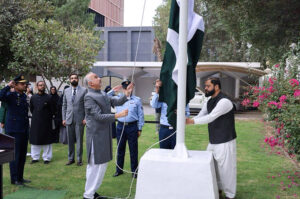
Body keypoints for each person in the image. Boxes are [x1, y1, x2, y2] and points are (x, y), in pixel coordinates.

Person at [186, 77, 237, 199]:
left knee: (227, 170)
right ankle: (217, 190)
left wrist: (191, 122)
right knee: (211, 167)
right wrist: (187, 119)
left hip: (225, 140)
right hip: (213, 140)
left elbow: (211, 117)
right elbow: (201, 115)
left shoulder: (224, 102)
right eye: (206, 85)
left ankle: (230, 195)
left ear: (216, 86)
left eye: (208, 86)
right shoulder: (209, 100)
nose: (206, 88)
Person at [82, 72, 130, 199]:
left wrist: (126, 93)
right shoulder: (89, 97)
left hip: (104, 134)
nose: (99, 78)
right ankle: (88, 195)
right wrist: (117, 116)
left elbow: (117, 101)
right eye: (96, 77)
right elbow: (98, 116)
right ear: (90, 83)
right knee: (95, 166)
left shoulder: (102, 93)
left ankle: (92, 192)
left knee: (102, 165)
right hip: (96, 136)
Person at [0, 75, 30, 185]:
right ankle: (14, 178)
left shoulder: (23, 96)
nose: (24, 85)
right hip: (14, 129)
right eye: (22, 84)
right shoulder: (10, 95)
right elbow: (0, 96)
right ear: (15, 85)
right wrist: (8, 86)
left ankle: (20, 177)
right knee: (15, 155)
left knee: (22, 155)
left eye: (25, 83)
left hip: (23, 129)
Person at [113, 80, 144, 179]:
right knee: (120, 149)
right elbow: (104, 98)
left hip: (132, 126)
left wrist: (139, 128)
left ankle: (134, 171)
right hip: (120, 126)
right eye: (126, 88)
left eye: (130, 88)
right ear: (123, 88)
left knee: (133, 150)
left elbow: (141, 115)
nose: (129, 90)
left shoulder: (137, 100)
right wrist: (112, 91)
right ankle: (119, 170)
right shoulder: (117, 98)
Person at [150, 79, 190, 149]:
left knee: (176, 153)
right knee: (163, 153)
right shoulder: (164, 97)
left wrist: (181, 113)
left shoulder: (182, 98)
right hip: (164, 129)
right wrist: (157, 91)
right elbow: (154, 105)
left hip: (176, 129)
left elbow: (187, 114)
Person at [62, 74, 87, 166]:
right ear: (69, 80)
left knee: (79, 140)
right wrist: (64, 118)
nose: (73, 79)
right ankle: (70, 159)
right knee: (70, 140)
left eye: (75, 78)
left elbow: (87, 106)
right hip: (68, 119)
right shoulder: (66, 90)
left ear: (78, 79)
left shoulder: (84, 90)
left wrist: (85, 118)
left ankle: (79, 160)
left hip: (80, 119)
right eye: (72, 78)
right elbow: (64, 105)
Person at [30, 81, 55, 164]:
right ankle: (35, 157)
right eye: (40, 85)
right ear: (37, 87)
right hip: (35, 122)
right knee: (35, 140)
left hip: (46, 122)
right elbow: (31, 109)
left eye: (43, 85)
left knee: (46, 140)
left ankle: (46, 158)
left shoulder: (49, 97)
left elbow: (52, 110)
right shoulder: (33, 97)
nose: (42, 87)